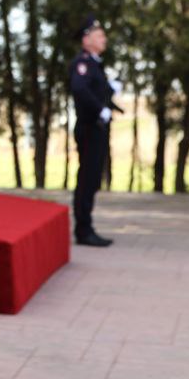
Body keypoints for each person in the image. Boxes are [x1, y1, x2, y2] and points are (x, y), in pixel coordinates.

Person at [68, 15, 120, 247]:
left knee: (92, 178)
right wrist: (101, 110)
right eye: (99, 35)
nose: (104, 39)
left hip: (96, 129)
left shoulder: (95, 64)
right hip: (90, 128)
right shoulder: (83, 63)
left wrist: (110, 92)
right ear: (86, 39)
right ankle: (83, 229)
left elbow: (96, 90)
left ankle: (85, 226)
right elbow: (79, 89)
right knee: (87, 178)